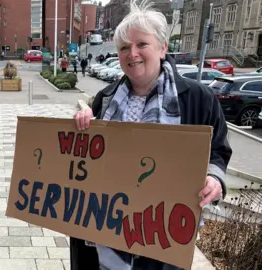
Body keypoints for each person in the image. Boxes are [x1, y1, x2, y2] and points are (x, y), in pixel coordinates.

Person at [71, 1, 232, 269]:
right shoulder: (106, 98)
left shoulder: (197, 98)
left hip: (164, 233)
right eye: (124, 47)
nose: (132, 53)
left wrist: (214, 179)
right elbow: (86, 155)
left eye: (141, 44)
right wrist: (82, 123)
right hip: (107, 230)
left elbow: (218, 150)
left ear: (163, 47)